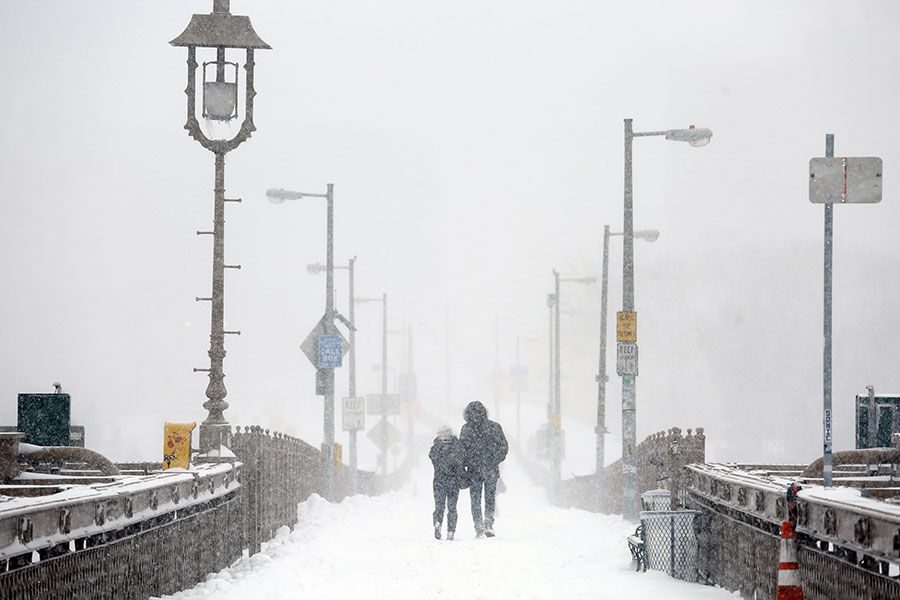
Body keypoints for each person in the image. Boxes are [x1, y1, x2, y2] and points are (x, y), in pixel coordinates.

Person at [459, 400, 508, 538]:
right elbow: (503, 447)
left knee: (475, 499)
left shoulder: (466, 429)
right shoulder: (494, 427)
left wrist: (465, 465)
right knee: (490, 497)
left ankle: (479, 526)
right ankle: (488, 523)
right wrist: (494, 459)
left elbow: (462, 450)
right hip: (491, 469)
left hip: (474, 470)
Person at [429, 425, 468, 541]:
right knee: (452, 508)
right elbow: (462, 461)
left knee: (439, 506)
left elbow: (433, 459)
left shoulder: (435, 448)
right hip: (453, 482)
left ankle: (437, 522)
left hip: (439, 481)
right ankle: (451, 531)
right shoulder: (457, 447)